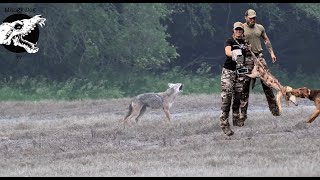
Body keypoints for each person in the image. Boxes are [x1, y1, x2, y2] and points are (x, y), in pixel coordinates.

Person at [239, 9, 280, 125]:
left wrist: (272, 53)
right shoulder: (240, 28)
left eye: (254, 18)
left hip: (260, 58)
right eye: (251, 18)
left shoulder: (260, 28)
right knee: (245, 87)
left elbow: (266, 40)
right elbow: (236, 43)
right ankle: (242, 116)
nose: (253, 20)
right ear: (245, 17)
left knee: (268, 84)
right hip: (247, 59)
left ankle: (275, 111)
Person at [219, 22, 251, 136]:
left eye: (240, 30)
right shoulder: (230, 41)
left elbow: (249, 56)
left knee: (238, 96)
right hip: (229, 72)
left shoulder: (245, 42)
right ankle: (224, 123)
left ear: (242, 31)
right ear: (233, 30)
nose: (238, 31)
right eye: (236, 30)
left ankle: (236, 119)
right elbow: (227, 52)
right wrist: (234, 54)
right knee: (227, 97)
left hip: (240, 72)